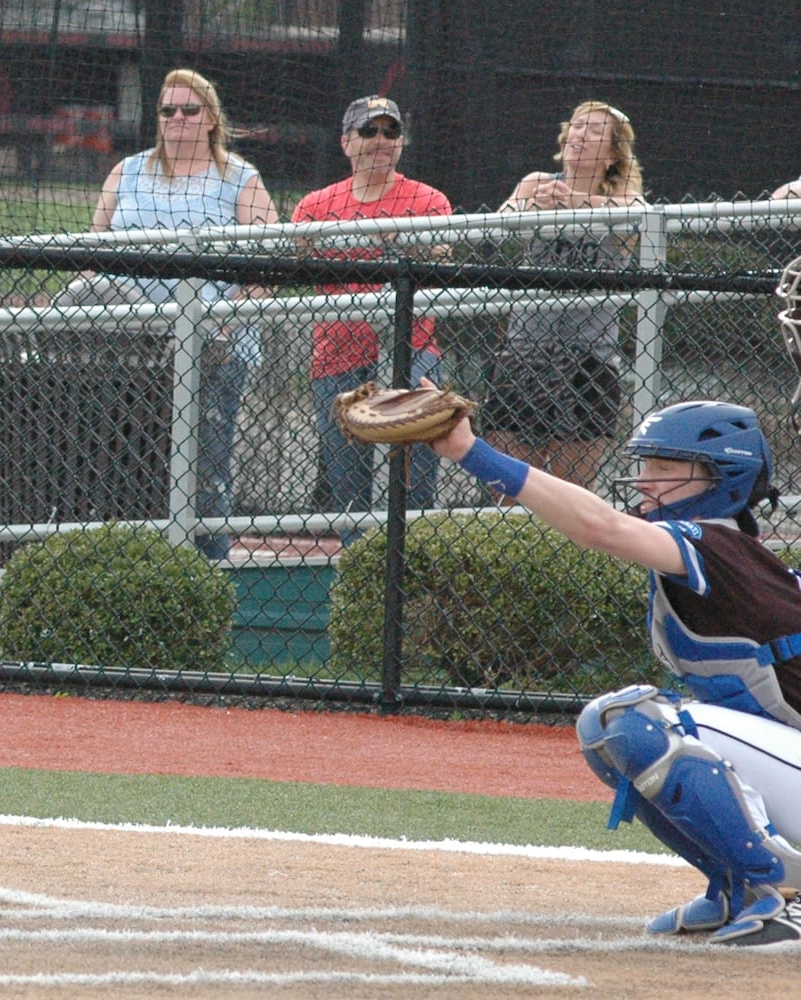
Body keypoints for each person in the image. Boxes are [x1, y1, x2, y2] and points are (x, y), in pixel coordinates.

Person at [416, 369, 801, 945]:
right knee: (611, 732)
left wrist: (473, 453)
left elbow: (601, 528)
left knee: (633, 722)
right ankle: (736, 888)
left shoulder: (714, 544)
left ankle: (779, 898)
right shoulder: (728, 551)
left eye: (664, 469)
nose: (645, 481)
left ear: (721, 478)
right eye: (646, 464)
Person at [89, 68, 278, 559]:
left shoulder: (240, 178)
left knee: (203, 468)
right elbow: (91, 258)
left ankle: (210, 571)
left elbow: (264, 274)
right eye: (167, 110)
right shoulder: (126, 171)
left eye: (188, 110)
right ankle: (133, 562)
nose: (176, 119)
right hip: (129, 348)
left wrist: (221, 326)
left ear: (211, 118)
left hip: (212, 347)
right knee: (128, 462)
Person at [293, 97, 453, 526]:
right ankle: (358, 571)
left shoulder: (428, 199)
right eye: (369, 131)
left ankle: (411, 569)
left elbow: (442, 254)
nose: (380, 141)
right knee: (350, 489)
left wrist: (398, 237)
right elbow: (296, 257)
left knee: (415, 481)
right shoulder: (315, 205)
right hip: (336, 356)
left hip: (413, 348)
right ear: (347, 142)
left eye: (390, 132)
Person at [487, 100, 644, 490]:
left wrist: (576, 204)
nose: (580, 135)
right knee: (509, 485)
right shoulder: (535, 181)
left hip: (588, 361)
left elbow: (641, 213)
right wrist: (530, 208)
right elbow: (494, 229)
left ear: (611, 153)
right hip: (524, 352)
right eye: (576, 126)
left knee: (569, 493)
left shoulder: (623, 196)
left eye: (593, 131)